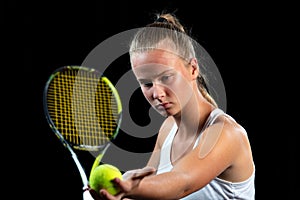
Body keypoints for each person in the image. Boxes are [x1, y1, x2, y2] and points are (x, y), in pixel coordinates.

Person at [89, 12, 255, 200]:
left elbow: (181, 182)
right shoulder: (168, 129)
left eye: (166, 77)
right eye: (147, 84)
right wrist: (118, 196)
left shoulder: (227, 134)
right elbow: (150, 193)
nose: (157, 94)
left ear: (193, 69)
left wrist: (128, 187)